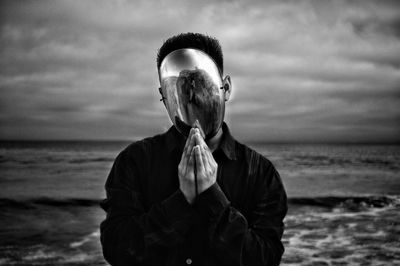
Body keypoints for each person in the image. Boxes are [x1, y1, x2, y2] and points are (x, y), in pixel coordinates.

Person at [100, 32, 288, 266]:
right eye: (183, 88)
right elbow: (117, 249)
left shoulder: (260, 173)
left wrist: (211, 196)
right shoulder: (135, 161)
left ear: (226, 88)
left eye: (201, 84)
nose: (192, 96)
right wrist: (182, 200)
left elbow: (264, 259)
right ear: (164, 95)